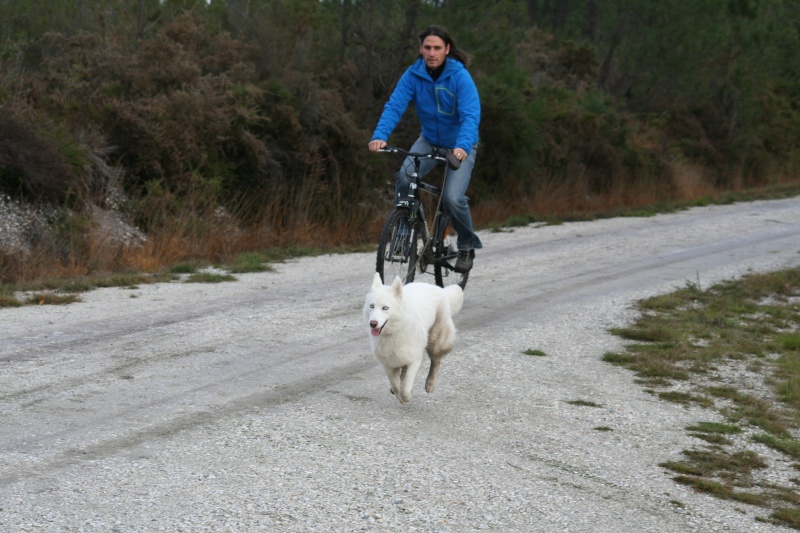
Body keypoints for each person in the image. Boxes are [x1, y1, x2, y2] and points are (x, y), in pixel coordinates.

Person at [368, 25, 482, 273]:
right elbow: (395, 105)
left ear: (447, 50)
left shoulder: (459, 76)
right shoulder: (413, 75)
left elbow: (470, 116)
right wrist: (379, 136)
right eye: (427, 47)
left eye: (437, 48)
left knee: (452, 197)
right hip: (429, 139)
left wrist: (462, 147)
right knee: (405, 176)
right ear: (421, 49)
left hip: (460, 144)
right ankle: (403, 233)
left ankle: (465, 245)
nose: (432, 53)